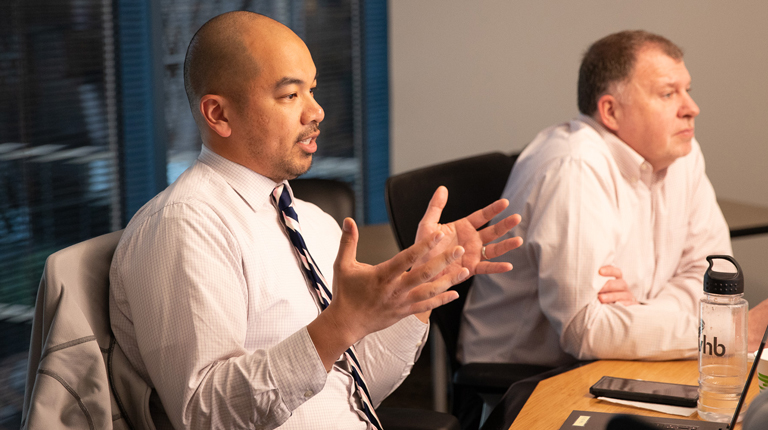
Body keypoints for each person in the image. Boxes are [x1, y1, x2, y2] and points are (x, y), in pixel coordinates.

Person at [108, 11, 523, 430]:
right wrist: (339, 324)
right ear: (219, 114)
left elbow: (356, 390)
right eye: (290, 95)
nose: (317, 111)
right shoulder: (185, 226)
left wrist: (419, 288)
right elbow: (205, 416)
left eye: (313, 90)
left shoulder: (312, 222)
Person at [459, 30, 768, 370]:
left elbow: (710, 277)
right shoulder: (573, 168)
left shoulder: (683, 152)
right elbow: (586, 328)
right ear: (611, 111)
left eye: (687, 91)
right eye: (668, 94)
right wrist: (730, 332)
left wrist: (639, 313)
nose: (692, 109)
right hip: (521, 381)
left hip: (620, 361)